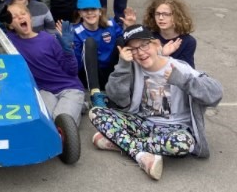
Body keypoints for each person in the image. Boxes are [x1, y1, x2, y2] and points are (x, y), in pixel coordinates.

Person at [88, 24, 223, 181]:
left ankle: (119, 141)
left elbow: (216, 94)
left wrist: (183, 81)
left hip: (175, 129)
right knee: (97, 112)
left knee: (183, 144)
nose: (140, 52)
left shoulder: (179, 68)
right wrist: (123, 66)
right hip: (143, 124)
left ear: (156, 44)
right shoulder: (131, 69)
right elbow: (116, 98)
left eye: (144, 45)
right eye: (133, 49)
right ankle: (140, 155)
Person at [3, 3, 85, 127]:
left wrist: (68, 50)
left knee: (61, 121)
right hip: (44, 90)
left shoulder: (48, 39)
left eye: (23, 14)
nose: (20, 17)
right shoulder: (9, 40)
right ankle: (79, 107)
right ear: (10, 25)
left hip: (69, 87)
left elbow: (71, 71)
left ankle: (78, 104)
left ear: (30, 18)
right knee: (46, 124)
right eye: (14, 17)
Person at [71, 0, 133, 107]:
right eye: (85, 10)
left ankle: (125, 85)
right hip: (89, 74)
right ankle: (95, 94)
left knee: (121, 40)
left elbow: (126, 43)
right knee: (90, 42)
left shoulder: (110, 24)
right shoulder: (75, 31)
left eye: (93, 9)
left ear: (100, 11)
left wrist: (129, 28)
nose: (90, 13)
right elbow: (77, 66)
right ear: (80, 13)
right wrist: (69, 47)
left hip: (109, 72)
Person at [142, 0, 196, 68]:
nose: (160, 18)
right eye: (157, 14)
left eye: (166, 14)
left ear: (177, 16)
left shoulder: (188, 41)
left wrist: (164, 57)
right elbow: (142, 64)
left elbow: (187, 71)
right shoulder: (148, 36)